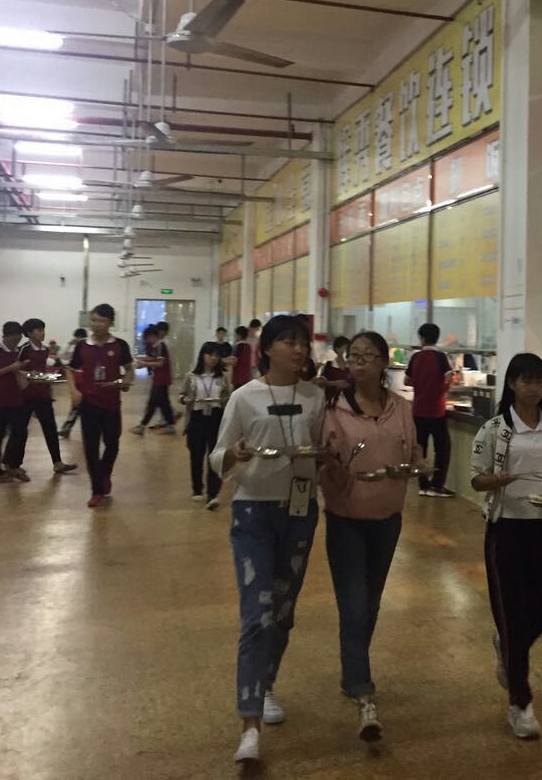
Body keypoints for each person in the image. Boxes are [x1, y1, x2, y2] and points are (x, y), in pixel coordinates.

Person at [210, 315, 326, 765]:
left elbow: (321, 449)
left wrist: (329, 455)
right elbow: (217, 456)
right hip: (253, 512)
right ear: (268, 349)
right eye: (288, 342)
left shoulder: (315, 396)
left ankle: (267, 683)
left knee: (282, 611)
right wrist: (234, 453)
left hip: (299, 512)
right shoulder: (244, 397)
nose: (298, 349)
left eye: (302, 342)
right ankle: (250, 723)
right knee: (256, 615)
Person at [318, 331, 420, 745]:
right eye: (353, 355)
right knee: (355, 604)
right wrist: (329, 466)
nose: (358, 362)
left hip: (387, 519)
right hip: (346, 519)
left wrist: (417, 466)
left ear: (383, 363)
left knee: (371, 602)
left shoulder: (402, 409)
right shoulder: (332, 408)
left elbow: (412, 454)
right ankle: (363, 692)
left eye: (367, 355)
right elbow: (321, 459)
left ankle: (351, 672)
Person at [471, 353, 542, 740]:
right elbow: (476, 479)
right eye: (525, 380)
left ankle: (507, 647)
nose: (533, 388)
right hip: (507, 529)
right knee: (513, 614)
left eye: (539, 381)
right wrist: (496, 480)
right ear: (512, 383)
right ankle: (520, 703)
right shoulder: (495, 430)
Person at [66, 304, 134, 509]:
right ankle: (97, 490)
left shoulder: (120, 345)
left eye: (101, 321)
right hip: (89, 404)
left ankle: (104, 474)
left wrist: (125, 381)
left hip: (112, 404)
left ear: (110, 322)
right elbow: (69, 369)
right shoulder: (82, 346)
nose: (96, 324)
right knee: (91, 448)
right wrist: (74, 391)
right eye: (94, 320)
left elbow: (129, 369)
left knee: (112, 444)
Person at [18, 318, 76, 476]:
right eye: (38, 330)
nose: (42, 333)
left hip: (43, 394)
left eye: (43, 329)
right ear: (29, 333)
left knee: (50, 428)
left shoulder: (44, 350)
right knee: (21, 431)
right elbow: (16, 370)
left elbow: (49, 366)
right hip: (26, 396)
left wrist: (51, 375)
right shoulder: (23, 350)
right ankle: (14, 464)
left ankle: (57, 463)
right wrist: (30, 375)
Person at [405, 322, 455, 498]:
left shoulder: (415, 357)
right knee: (442, 449)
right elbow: (450, 377)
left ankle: (423, 485)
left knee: (420, 449)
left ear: (422, 338)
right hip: (437, 411)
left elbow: (406, 380)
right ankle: (437, 485)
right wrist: (442, 389)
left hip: (418, 410)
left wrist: (421, 385)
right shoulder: (441, 357)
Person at [181, 341, 230, 510]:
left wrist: (224, 401)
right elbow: (181, 395)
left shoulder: (222, 377)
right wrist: (185, 399)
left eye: (216, 355)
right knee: (196, 454)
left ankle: (213, 493)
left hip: (216, 418)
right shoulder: (191, 376)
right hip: (197, 417)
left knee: (215, 456)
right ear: (202, 355)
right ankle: (197, 488)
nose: (213, 358)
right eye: (210, 354)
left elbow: (228, 396)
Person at [0, 321, 32, 484]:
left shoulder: (18, 352)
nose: (16, 342)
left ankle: (12, 465)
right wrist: (10, 368)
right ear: (6, 336)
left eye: (19, 339)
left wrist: (22, 369)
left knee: (21, 432)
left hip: (16, 399)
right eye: (15, 339)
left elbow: (18, 370)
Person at [132, 325, 177, 436]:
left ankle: (142, 426)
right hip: (159, 379)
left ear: (153, 336)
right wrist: (141, 359)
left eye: (147, 338)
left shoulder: (160, 345)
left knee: (153, 403)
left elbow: (160, 363)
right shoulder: (157, 346)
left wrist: (144, 364)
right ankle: (170, 426)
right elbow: (154, 358)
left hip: (162, 379)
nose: (147, 341)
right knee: (163, 403)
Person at [58, 329, 89, 438]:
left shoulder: (88, 347)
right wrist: (69, 344)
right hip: (76, 379)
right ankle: (67, 428)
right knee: (77, 406)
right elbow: (61, 355)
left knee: (79, 407)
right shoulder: (74, 347)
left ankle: (67, 428)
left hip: (86, 380)